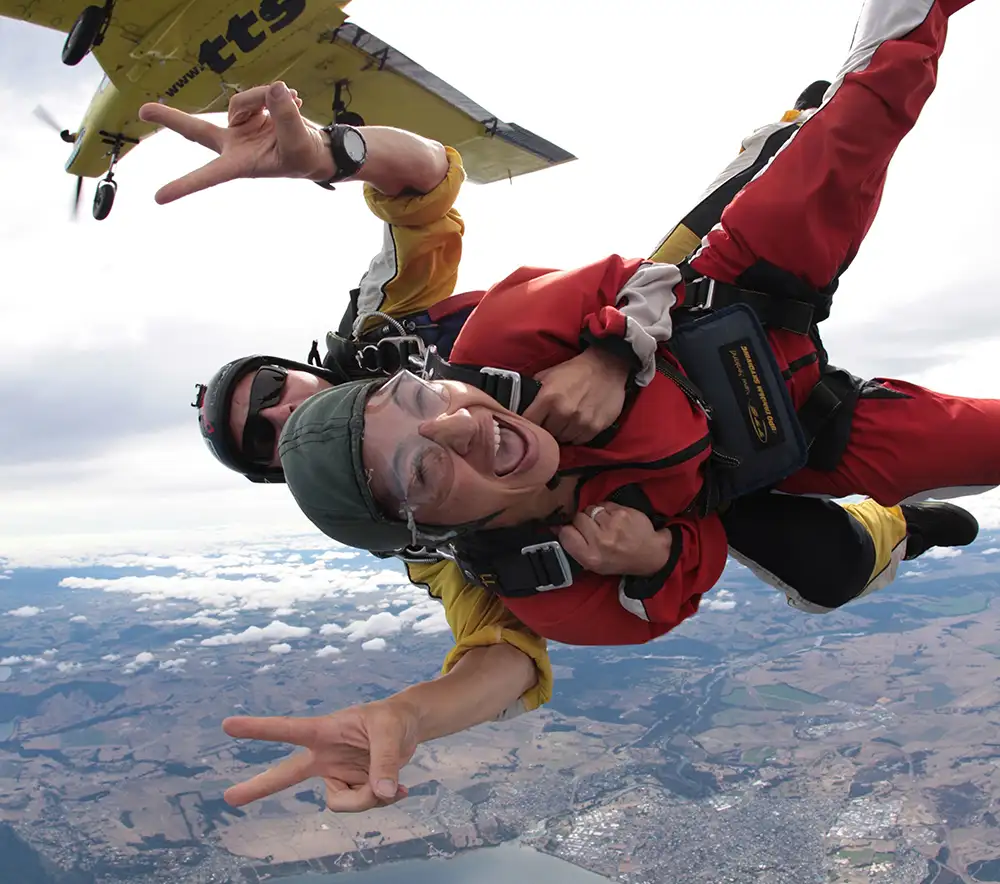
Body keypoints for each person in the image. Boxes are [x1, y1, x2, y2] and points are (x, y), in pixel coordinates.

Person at [140, 0, 984, 809]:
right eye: (268, 441)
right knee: (825, 565)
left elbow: (430, 187)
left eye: (273, 392)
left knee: (813, 154)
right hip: (701, 474)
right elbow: (504, 647)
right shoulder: (439, 542)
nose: (284, 418)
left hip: (666, 338)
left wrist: (333, 153)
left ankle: (795, 126)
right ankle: (903, 526)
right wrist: (414, 715)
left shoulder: (386, 330)